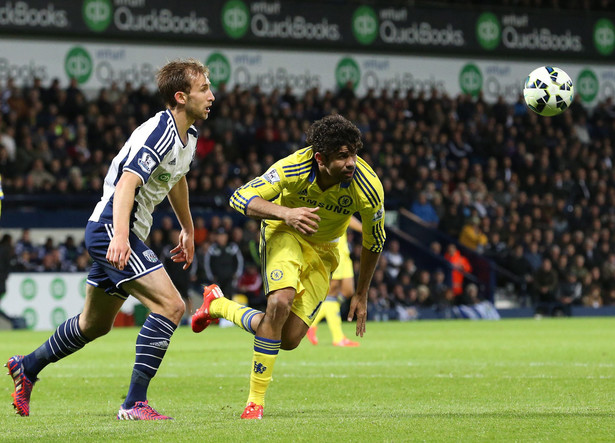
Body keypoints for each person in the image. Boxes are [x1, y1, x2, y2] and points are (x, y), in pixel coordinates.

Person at [6, 58, 215, 419]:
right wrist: (120, 235)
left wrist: (188, 228)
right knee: (172, 306)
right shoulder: (160, 131)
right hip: (113, 229)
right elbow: (126, 183)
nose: (212, 95)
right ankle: (135, 403)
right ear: (181, 97)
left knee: (94, 324)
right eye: (204, 89)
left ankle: (27, 366)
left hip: (118, 231)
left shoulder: (189, 135)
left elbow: (177, 178)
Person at [191, 114, 385, 419]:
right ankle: (255, 402)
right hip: (285, 233)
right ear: (320, 158)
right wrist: (286, 213)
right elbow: (239, 197)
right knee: (279, 302)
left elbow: (374, 241)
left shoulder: (368, 188)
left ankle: (219, 306)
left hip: (326, 251)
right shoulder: (293, 167)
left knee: (288, 338)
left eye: (354, 154)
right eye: (343, 156)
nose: (351, 163)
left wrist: (362, 293)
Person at [306, 215, 362, 347]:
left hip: (344, 250)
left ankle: (312, 323)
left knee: (348, 291)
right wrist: (365, 230)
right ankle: (338, 338)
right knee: (332, 292)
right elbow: (346, 217)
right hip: (334, 248)